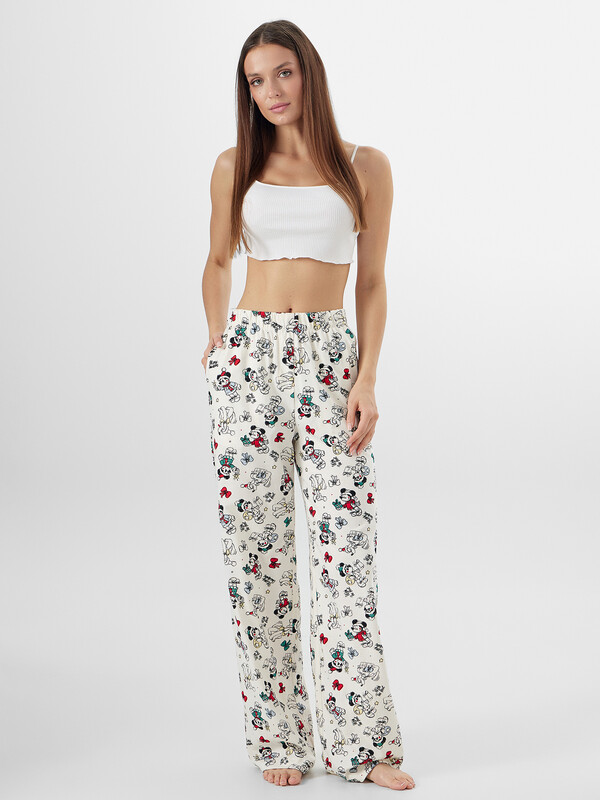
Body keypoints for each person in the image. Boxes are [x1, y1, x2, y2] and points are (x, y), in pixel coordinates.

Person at [201, 19, 416, 792]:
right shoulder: (236, 165)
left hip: (330, 361)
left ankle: (363, 746)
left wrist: (366, 378)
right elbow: (217, 260)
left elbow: (373, 281)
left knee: (344, 555)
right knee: (255, 558)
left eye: (282, 73)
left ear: (309, 73)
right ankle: (278, 738)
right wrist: (217, 342)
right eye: (256, 81)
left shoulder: (364, 166)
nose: (271, 92)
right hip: (250, 362)